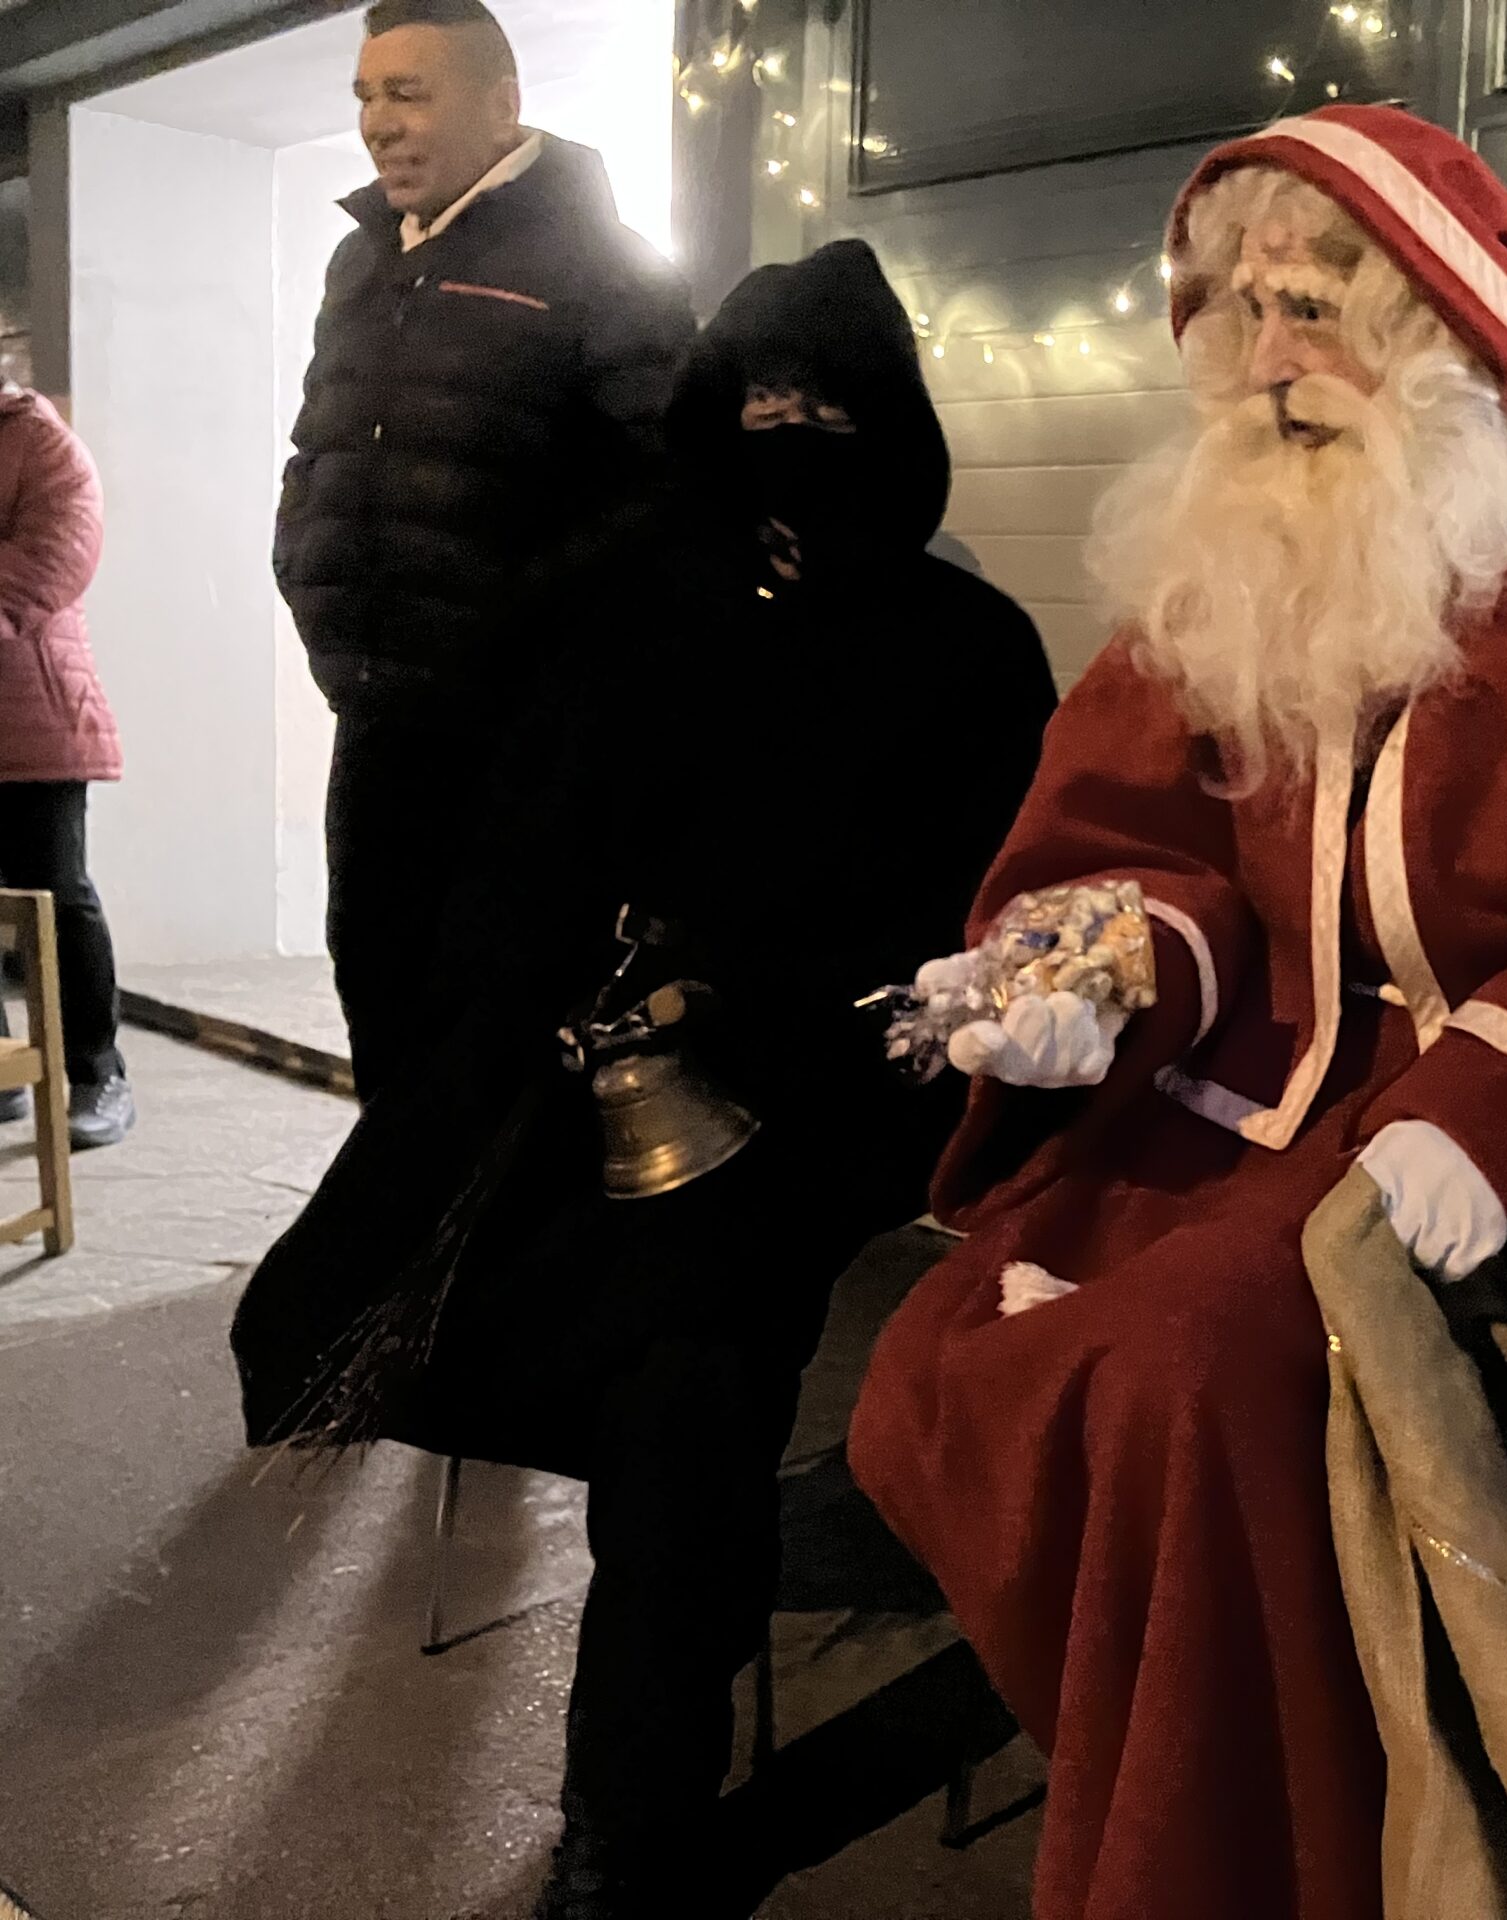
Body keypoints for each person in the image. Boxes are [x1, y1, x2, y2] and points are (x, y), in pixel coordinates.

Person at [849, 104, 1507, 1920]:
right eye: (1244, 313)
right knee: (935, 1369)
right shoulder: (1235, 561)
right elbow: (1154, 850)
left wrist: (1480, 1125)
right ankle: (1173, 1779)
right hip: (1258, 1116)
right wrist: (1099, 975)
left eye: (1318, 310)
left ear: (1437, 329)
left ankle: (1242, 1862)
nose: (1269, 359)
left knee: (1186, 1375)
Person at [231, 239, 1056, 1919]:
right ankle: (648, 1773)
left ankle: (627, 1818)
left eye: (824, 407)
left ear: (889, 420)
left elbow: (964, 924)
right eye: (759, 400)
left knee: (686, 1378)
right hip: (578, 1079)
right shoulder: (621, 606)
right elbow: (511, 867)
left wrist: (754, 1008)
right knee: (390, 1297)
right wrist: (543, 1021)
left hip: (822, 1102)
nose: (787, 434)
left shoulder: (966, 648)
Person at [274, 0, 697, 1101]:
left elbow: (667, 496)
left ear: (502, 105)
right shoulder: (360, 262)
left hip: (524, 738)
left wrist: (518, 633)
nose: (377, 122)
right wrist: (303, 568)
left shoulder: (604, 264)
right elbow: (314, 448)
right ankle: (399, 1209)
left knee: (505, 1024)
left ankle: (484, 1219)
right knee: (378, 987)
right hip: (377, 717)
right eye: (366, 96)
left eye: (407, 94)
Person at [0, 383, 132, 1147]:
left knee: (55, 895)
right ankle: (4, 1076)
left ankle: (97, 1072)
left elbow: (53, 560)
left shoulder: (42, 444)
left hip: (34, 714)